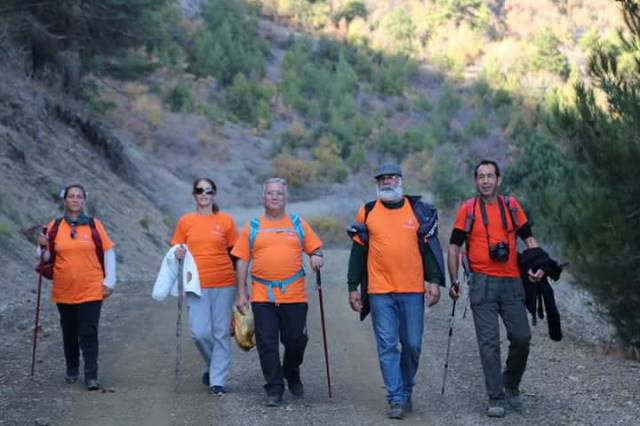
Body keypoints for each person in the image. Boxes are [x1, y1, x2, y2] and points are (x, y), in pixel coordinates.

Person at [346, 163, 445, 420]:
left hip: (412, 290)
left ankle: (406, 388)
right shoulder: (368, 211)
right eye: (382, 179)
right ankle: (396, 398)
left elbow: (429, 248)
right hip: (380, 291)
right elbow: (358, 251)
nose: (386, 182)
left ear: (400, 180)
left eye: (391, 178)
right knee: (387, 345)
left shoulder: (417, 210)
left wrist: (434, 280)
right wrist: (352, 286)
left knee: (412, 344)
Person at [447, 160, 544, 417]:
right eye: (481, 176)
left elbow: (529, 239)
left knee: (522, 337)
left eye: (490, 176)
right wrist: (454, 280)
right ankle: (496, 397)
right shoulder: (468, 210)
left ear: (499, 180)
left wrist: (538, 266)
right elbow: (454, 247)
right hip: (482, 284)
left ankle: (510, 382)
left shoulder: (511, 206)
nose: (486, 181)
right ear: (475, 181)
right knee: (488, 343)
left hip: (512, 282)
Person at [233, 177, 324, 407]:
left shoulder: (297, 223)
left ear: (285, 197)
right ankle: (274, 388)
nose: (274, 197)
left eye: (279, 193)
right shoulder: (253, 227)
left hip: (295, 295)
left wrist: (316, 256)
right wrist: (241, 292)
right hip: (262, 296)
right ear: (263, 197)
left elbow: (315, 248)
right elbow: (242, 259)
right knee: (267, 344)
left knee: (297, 340)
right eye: (270, 193)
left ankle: (291, 371)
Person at [36, 184, 116, 390]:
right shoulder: (54, 226)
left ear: (84, 200)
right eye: (71, 196)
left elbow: (108, 252)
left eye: (79, 196)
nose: (75, 199)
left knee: (88, 331)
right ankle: (72, 368)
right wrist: (42, 245)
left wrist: (109, 281)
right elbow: (45, 257)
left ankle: (91, 375)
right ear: (65, 200)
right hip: (64, 288)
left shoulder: (94, 225)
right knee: (69, 331)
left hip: (91, 287)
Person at [171, 178, 239, 396]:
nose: (204, 194)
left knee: (221, 332)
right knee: (200, 332)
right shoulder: (186, 221)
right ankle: (213, 365)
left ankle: (217, 380)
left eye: (208, 191)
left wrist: (242, 287)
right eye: (200, 190)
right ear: (194, 194)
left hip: (224, 282)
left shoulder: (226, 221)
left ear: (214, 195)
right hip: (196, 283)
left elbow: (237, 255)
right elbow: (176, 250)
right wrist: (177, 253)